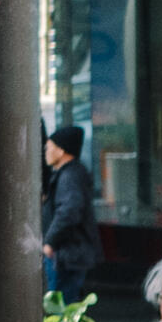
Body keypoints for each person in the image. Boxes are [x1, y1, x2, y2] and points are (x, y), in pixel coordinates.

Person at [39, 124, 102, 305]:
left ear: (61, 151)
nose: (46, 151)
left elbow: (69, 211)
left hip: (66, 255)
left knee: (62, 309)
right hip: (68, 254)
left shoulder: (70, 176)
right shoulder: (70, 174)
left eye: (49, 147)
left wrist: (50, 242)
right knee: (69, 305)